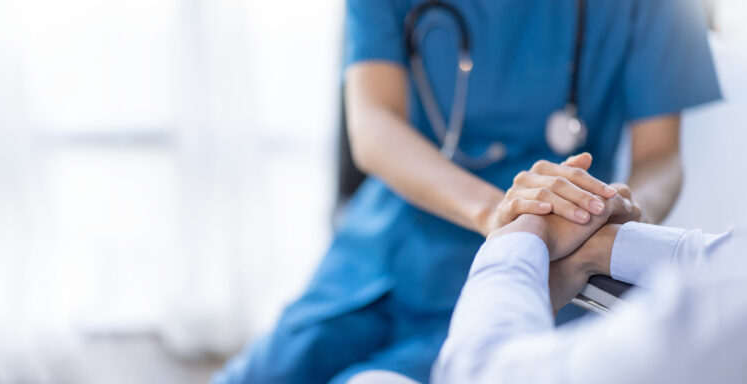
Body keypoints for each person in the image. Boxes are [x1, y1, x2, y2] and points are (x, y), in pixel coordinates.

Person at [214, 0, 721, 382]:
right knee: (266, 371)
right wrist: (501, 214)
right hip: (395, 241)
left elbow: (660, 157)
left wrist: (619, 217)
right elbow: (372, 126)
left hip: (552, 264)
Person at [426, 203, 747, 384]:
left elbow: (479, 373)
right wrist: (605, 244)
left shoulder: (722, 323)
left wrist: (522, 234)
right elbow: (730, 261)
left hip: (494, 309)